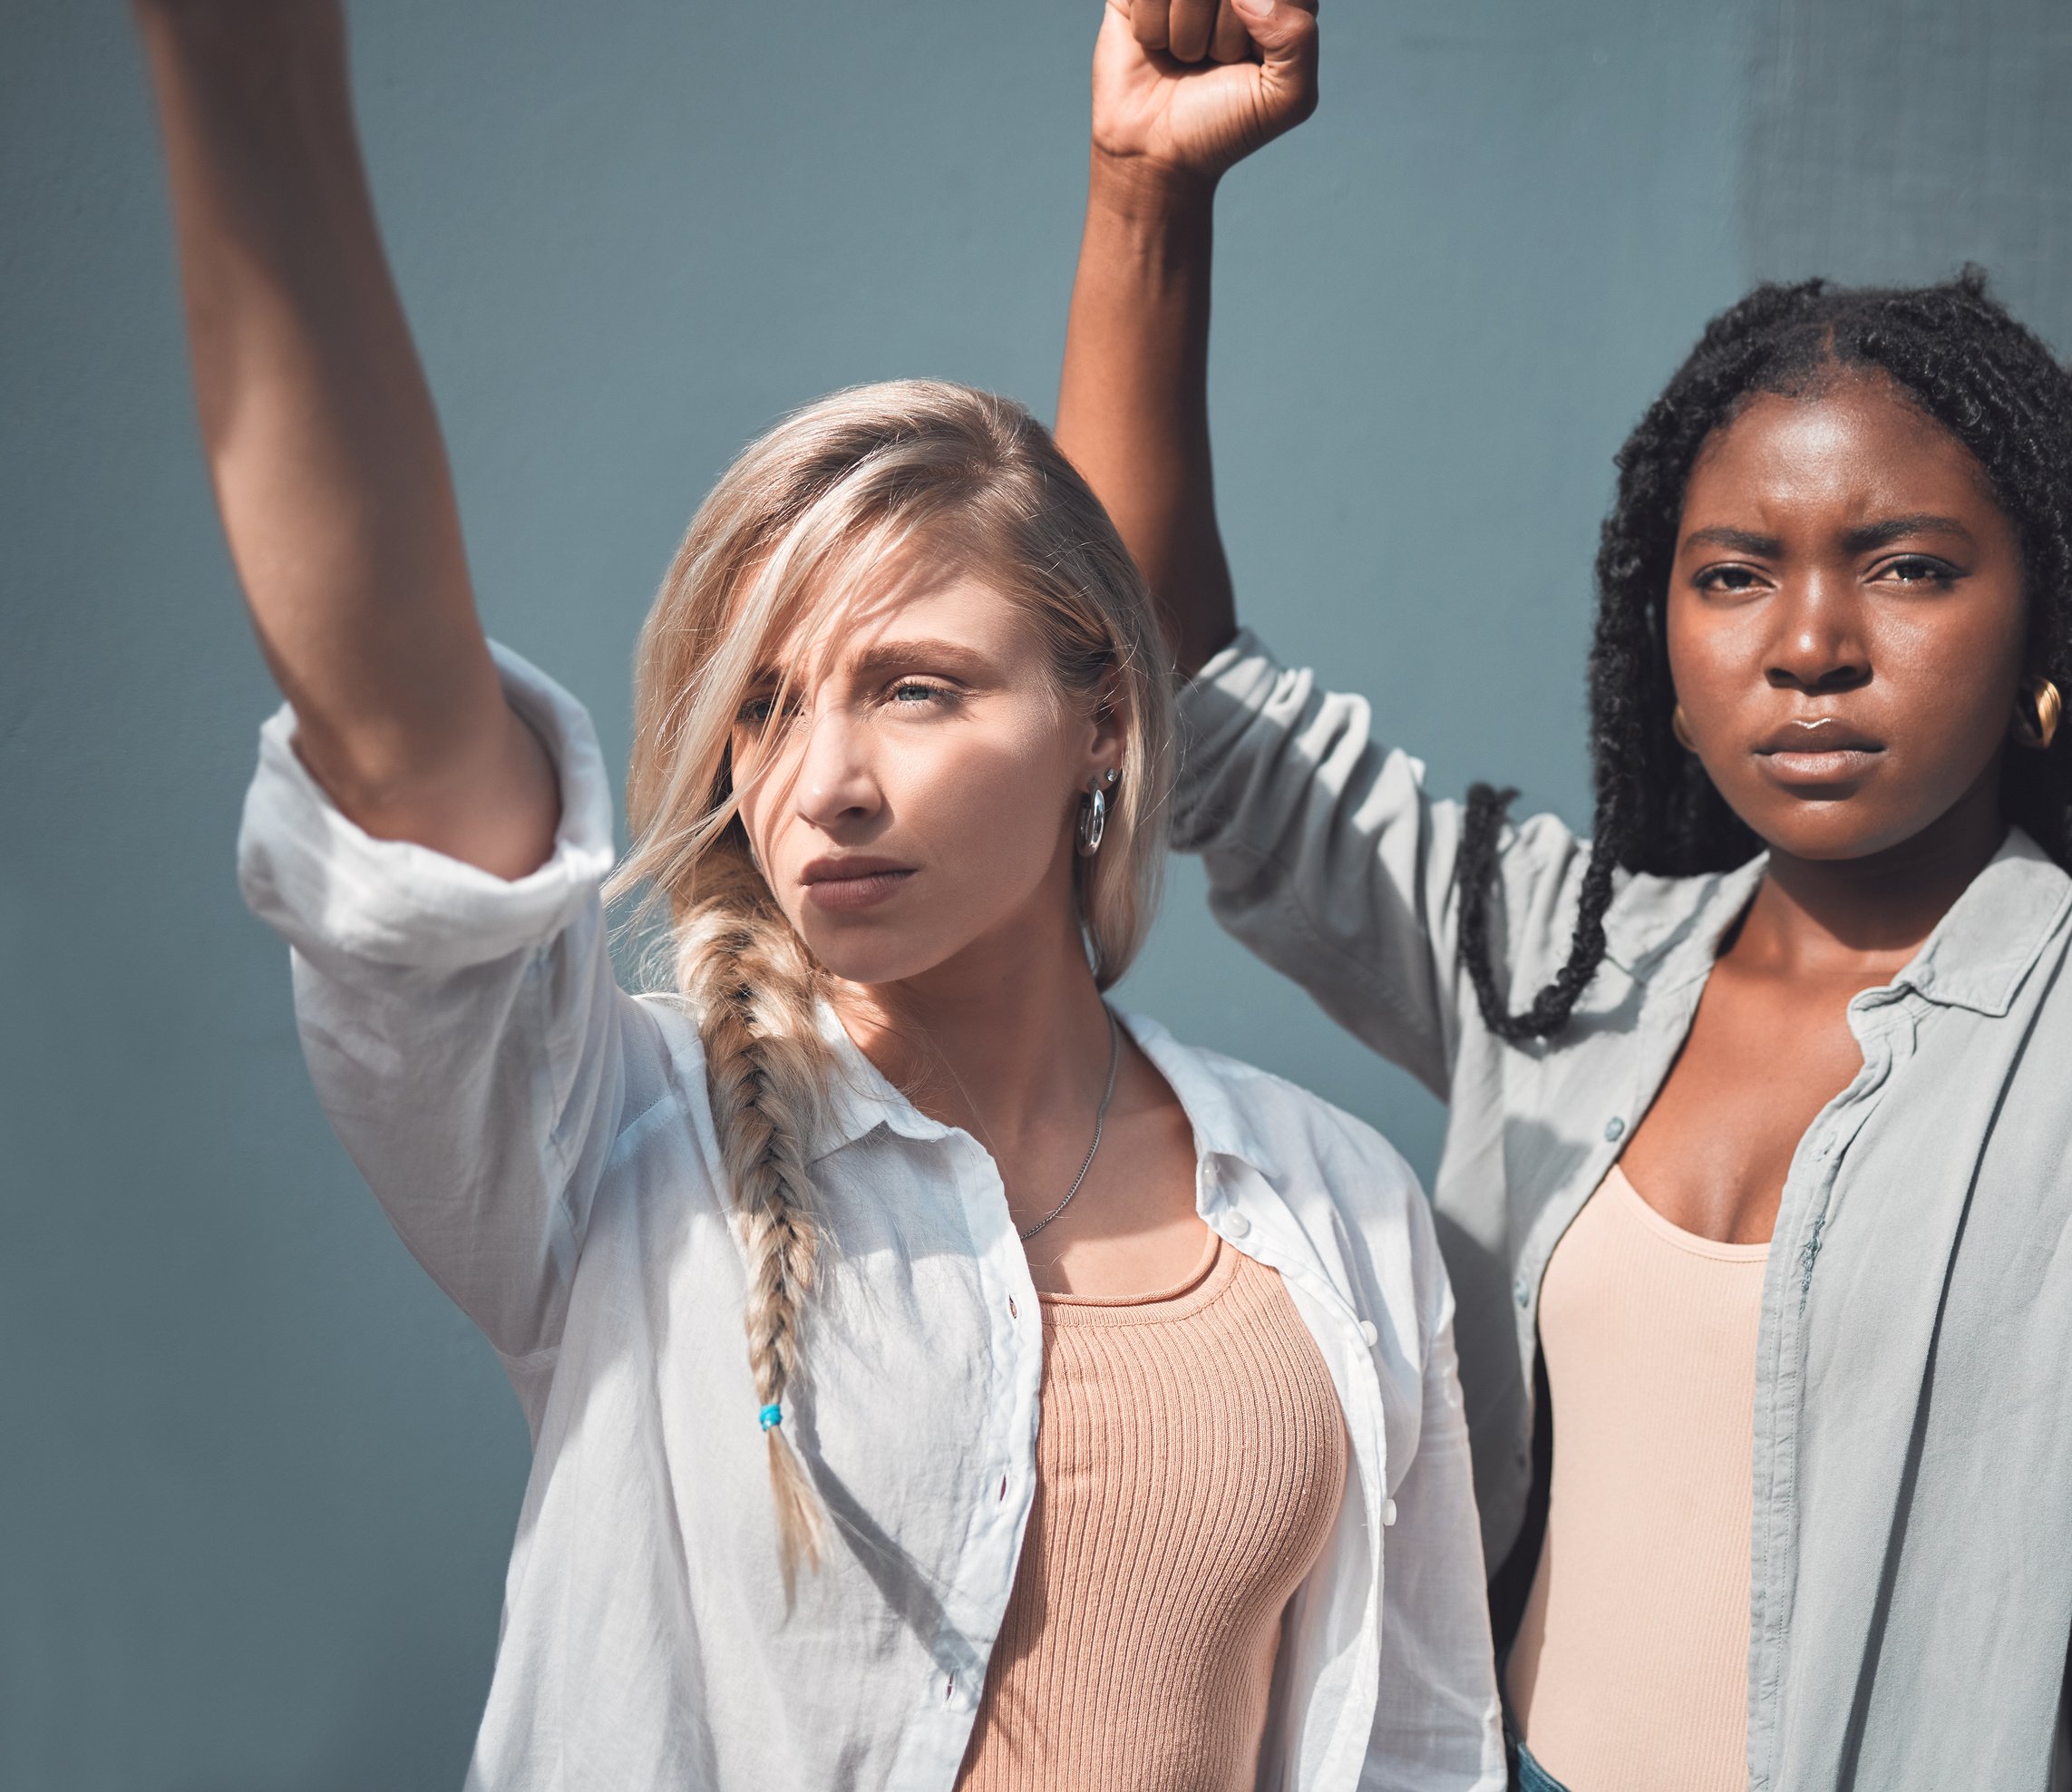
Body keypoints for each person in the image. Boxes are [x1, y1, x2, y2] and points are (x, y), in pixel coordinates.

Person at [134, 3, 1503, 1786]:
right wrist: (246, 84)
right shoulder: (627, 1145)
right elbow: (393, 748)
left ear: (1104, 710)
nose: (821, 781)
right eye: (761, 707)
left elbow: (1420, 1744)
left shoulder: (1333, 1208)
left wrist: (1142, 195)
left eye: (912, 685)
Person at [1056, 3, 2072, 1786]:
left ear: (2039, 625)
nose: (1812, 646)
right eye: (1734, 574)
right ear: (1659, 643)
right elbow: (1174, 694)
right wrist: (1146, 191)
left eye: (1905, 568)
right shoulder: (1555, 966)